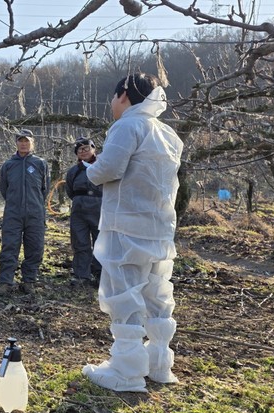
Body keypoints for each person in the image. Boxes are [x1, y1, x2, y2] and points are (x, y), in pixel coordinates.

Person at [81, 73, 184, 393]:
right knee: (157, 294)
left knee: (123, 295)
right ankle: (159, 364)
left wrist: (90, 167)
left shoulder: (127, 126)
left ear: (123, 95)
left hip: (126, 227)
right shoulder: (166, 133)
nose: (112, 103)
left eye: (113, 97)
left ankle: (127, 372)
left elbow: (108, 169)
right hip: (159, 228)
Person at [0, 129, 50, 295]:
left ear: (32, 143)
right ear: (16, 143)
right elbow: (4, 189)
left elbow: (44, 189)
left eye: (27, 141)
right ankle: (5, 282)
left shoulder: (40, 164)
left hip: (35, 213)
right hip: (13, 213)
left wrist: (34, 204)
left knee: (35, 247)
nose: (24, 144)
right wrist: (15, 203)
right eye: (21, 141)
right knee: (9, 247)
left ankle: (29, 281)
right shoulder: (8, 165)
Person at [65, 137, 102, 287]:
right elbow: (70, 191)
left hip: (99, 209)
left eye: (86, 148)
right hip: (78, 211)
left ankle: (101, 275)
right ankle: (82, 276)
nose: (83, 151)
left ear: (93, 149)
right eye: (80, 149)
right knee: (80, 242)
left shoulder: (103, 168)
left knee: (101, 242)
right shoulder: (73, 171)